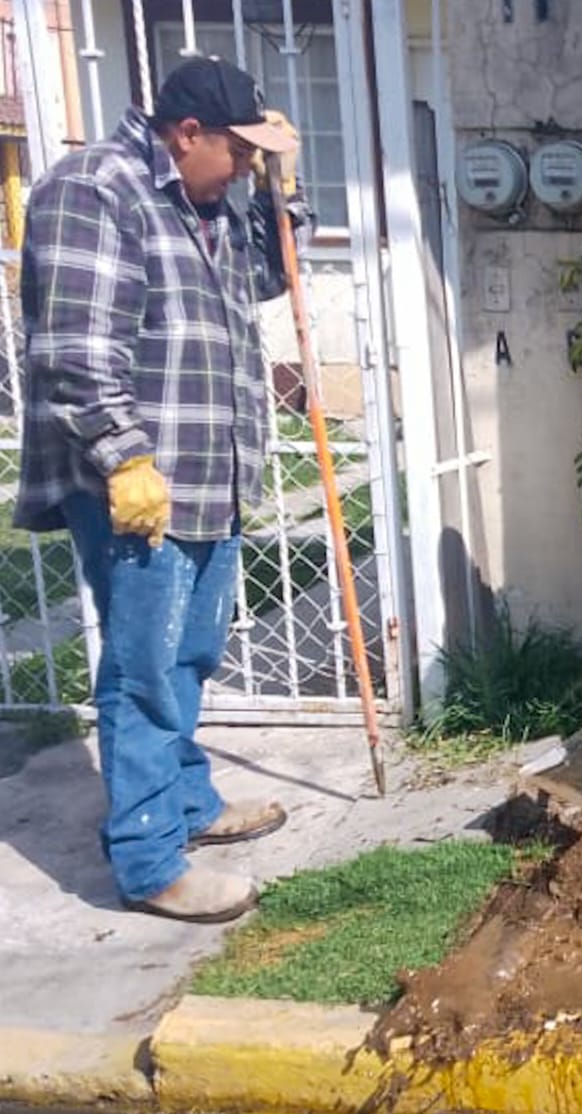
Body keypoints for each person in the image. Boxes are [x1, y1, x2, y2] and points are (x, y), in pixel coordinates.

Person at [15, 58, 307, 921]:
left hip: (210, 473)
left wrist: (276, 189)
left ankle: (189, 802)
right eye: (240, 151)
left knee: (189, 653)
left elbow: (267, 276)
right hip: (141, 479)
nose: (247, 165)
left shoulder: (207, 201)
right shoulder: (94, 191)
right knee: (144, 668)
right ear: (187, 135)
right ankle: (148, 858)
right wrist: (124, 454)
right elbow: (73, 347)